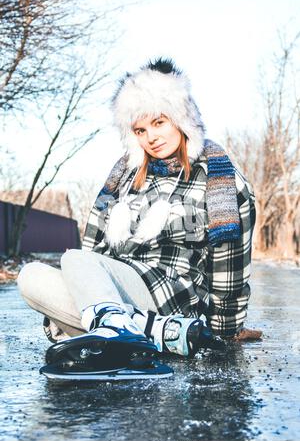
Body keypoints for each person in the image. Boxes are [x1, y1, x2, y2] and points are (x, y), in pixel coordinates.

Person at [17, 58, 262, 370]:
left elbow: (231, 267)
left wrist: (225, 330)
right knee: (31, 276)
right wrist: (82, 291)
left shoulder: (218, 179)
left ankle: (118, 330)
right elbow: (94, 248)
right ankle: (143, 333)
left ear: (181, 118)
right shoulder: (124, 176)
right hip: (116, 289)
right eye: (140, 129)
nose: (151, 137)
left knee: (74, 259)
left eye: (159, 123)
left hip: (173, 297)